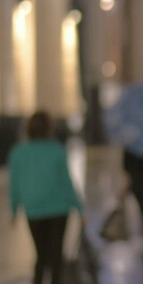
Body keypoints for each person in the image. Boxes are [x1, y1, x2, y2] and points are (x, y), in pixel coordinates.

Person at [8, 110, 83, 284]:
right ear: (50, 128)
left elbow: (15, 184)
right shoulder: (57, 150)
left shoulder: (18, 153)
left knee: (41, 255)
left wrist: (14, 209)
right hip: (58, 209)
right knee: (56, 256)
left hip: (33, 209)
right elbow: (66, 183)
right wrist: (79, 207)